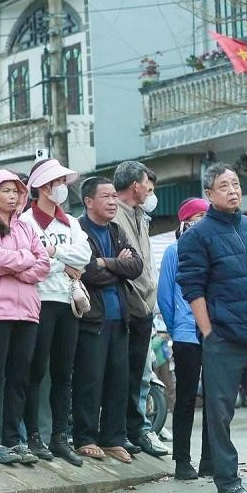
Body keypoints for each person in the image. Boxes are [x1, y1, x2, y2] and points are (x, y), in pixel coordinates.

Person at [178, 164, 247, 493]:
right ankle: (227, 479)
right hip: (224, 340)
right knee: (220, 413)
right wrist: (209, 333)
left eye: (236, 184)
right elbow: (193, 287)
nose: (233, 190)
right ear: (209, 194)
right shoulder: (197, 236)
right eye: (224, 185)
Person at [0, 170, 51, 465]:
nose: (13, 196)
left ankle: (13, 441)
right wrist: (24, 261)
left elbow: (43, 263)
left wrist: (18, 264)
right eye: (5, 190)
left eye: (16, 191)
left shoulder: (26, 228)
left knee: (19, 378)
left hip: (27, 311)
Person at [19, 159, 92, 466]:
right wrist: (63, 262)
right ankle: (34, 436)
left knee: (64, 372)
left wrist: (54, 254)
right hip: (38, 300)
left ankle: (60, 437)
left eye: (63, 181)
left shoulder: (71, 222)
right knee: (35, 371)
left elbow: (85, 256)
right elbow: (33, 263)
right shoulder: (25, 221)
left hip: (66, 302)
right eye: (57, 182)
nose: (62, 187)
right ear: (42, 187)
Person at [74, 177, 144, 464]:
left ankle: (113, 437)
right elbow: (88, 271)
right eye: (106, 196)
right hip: (92, 318)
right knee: (90, 379)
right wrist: (115, 265)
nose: (113, 201)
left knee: (119, 379)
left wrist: (107, 262)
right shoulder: (78, 229)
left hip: (121, 318)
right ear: (89, 201)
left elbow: (136, 266)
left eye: (115, 196)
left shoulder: (116, 230)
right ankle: (85, 437)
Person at [112, 160, 169, 458]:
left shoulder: (140, 216)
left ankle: (139, 428)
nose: (149, 189)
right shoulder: (114, 216)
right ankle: (127, 430)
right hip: (127, 307)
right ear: (135, 185)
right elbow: (124, 266)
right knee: (125, 374)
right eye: (147, 183)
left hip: (145, 307)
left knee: (140, 374)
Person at [158, 197, 212, 480]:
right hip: (186, 334)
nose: (202, 222)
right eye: (198, 217)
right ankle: (182, 460)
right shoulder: (174, 251)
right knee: (187, 398)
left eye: (207, 216)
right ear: (185, 222)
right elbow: (164, 297)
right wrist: (178, 326)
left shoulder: (214, 249)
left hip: (215, 334)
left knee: (216, 398)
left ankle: (210, 461)